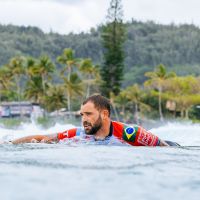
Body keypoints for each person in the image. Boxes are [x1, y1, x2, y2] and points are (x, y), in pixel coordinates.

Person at [12, 94, 179, 146]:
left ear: (104, 114)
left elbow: (166, 149)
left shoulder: (131, 134)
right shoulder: (78, 134)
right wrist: (10, 144)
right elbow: (44, 137)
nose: (84, 119)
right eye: (82, 115)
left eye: (89, 114)